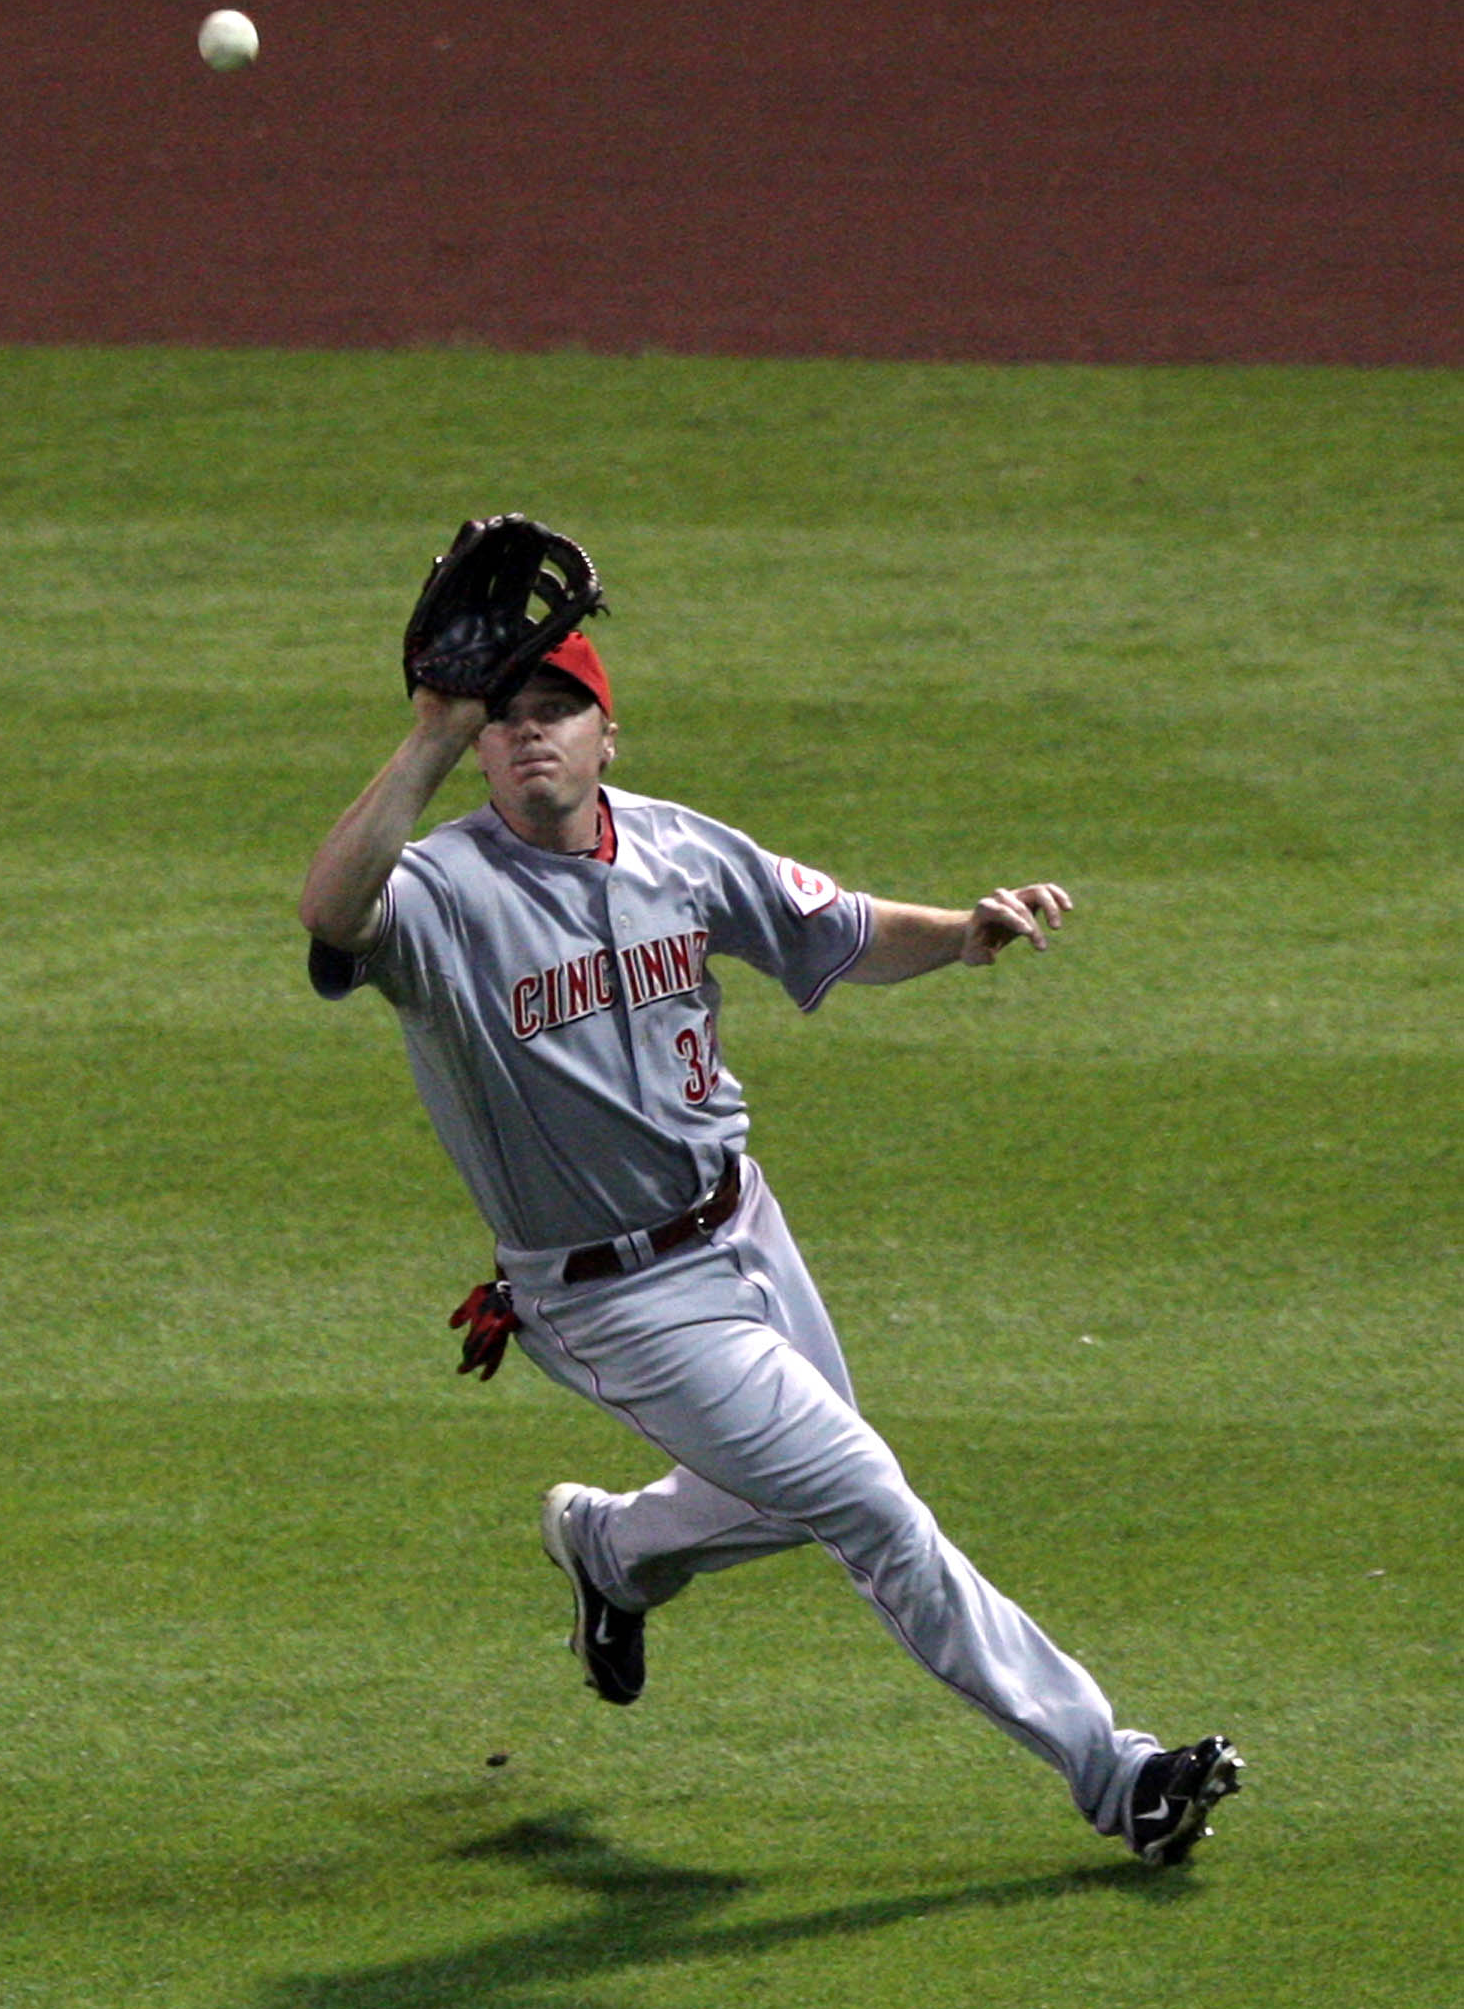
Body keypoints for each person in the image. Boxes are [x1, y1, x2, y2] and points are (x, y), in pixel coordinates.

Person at [298, 603, 1243, 1868]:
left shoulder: (681, 850)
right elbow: (329, 911)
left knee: (803, 1499)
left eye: (555, 713)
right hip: (610, 1296)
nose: (531, 739)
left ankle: (614, 1546)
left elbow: (835, 927)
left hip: (744, 1227)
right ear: (479, 747)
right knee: (868, 1503)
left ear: (606, 736)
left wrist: (962, 937)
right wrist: (423, 735)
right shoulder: (441, 894)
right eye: (504, 721)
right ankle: (1115, 1770)